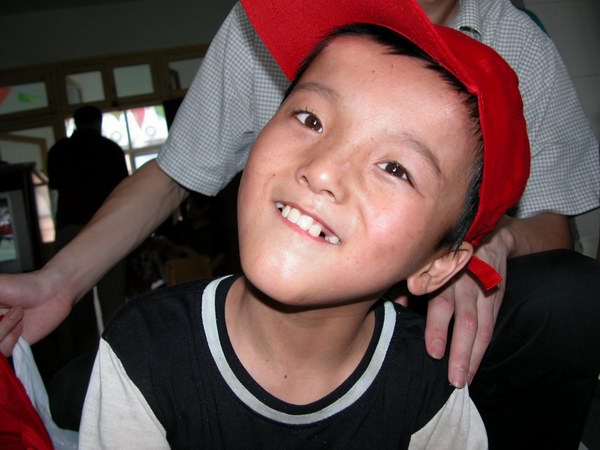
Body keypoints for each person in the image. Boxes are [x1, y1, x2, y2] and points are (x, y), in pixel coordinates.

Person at [1, 0, 599, 447]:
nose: (323, 170)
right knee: (76, 388)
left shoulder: (519, 41)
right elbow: (177, 169)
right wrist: (59, 282)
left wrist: (491, 243)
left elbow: (557, 227)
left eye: (395, 167)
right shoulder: (142, 350)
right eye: (309, 118)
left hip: (437, 322)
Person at [46, 105, 129, 364]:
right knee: (111, 299)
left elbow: (56, 185)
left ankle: (76, 362)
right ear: (98, 123)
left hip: (70, 227)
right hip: (106, 227)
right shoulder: (110, 149)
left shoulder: (59, 150)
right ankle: (118, 358)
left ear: (75, 122)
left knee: (68, 300)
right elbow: (123, 189)